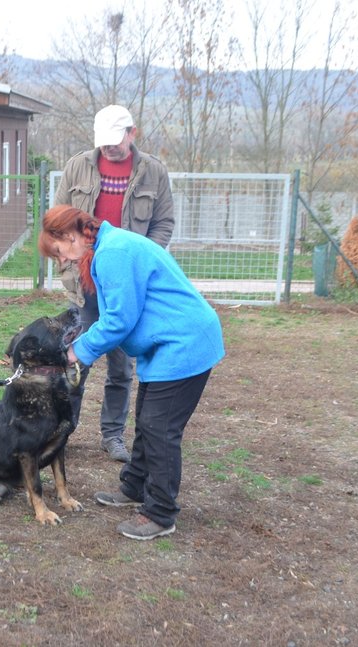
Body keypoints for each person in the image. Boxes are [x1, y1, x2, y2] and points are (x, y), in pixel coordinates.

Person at [38, 204, 223, 541]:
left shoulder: (114, 253)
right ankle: (135, 486)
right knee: (146, 419)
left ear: (70, 234)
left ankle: (161, 513)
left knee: (159, 427)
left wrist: (75, 352)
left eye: (59, 251)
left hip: (185, 343)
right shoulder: (107, 247)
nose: (62, 260)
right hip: (164, 344)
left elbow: (119, 321)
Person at [53, 104, 175, 463]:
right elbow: (59, 219)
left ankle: (112, 435)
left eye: (116, 141)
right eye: (103, 142)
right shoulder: (78, 166)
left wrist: (139, 265)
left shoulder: (153, 172)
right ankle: (63, 430)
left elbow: (163, 223)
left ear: (132, 132)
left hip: (126, 286)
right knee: (78, 358)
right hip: (86, 282)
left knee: (121, 366)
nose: (109, 148)